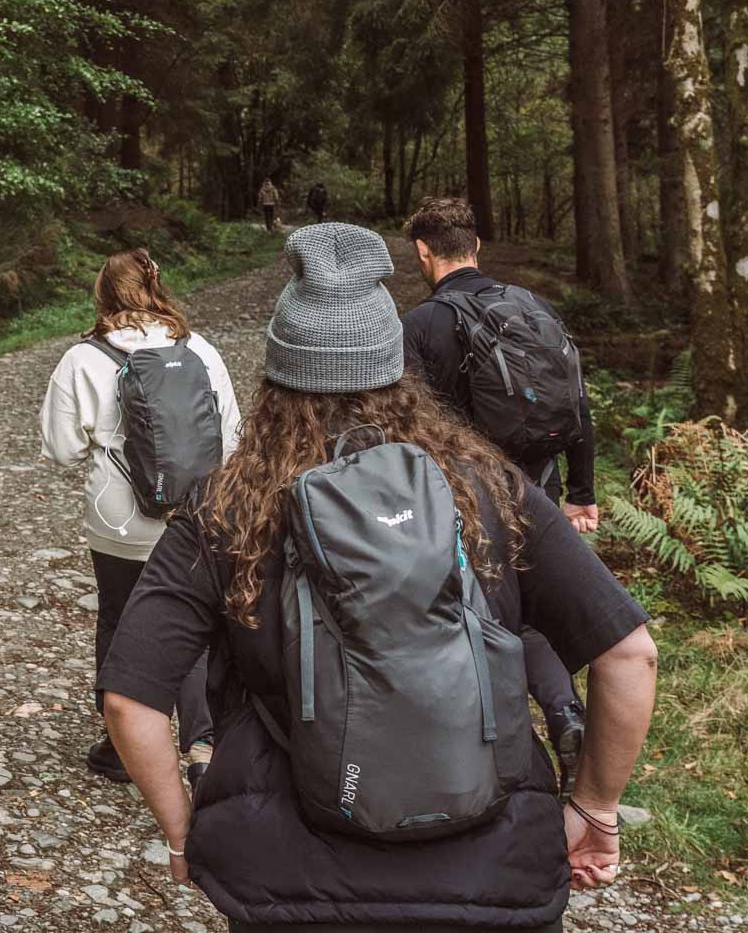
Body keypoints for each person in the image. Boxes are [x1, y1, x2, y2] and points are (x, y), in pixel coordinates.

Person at [101, 223, 657, 932]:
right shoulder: (486, 487)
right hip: (493, 877)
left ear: (276, 373)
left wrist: (183, 833)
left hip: (288, 885)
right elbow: (630, 654)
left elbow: (131, 701)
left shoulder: (226, 508)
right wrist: (595, 807)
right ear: (398, 368)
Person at [400, 197, 599, 789]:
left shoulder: (420, 324)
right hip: (538, 484)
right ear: (477, 246)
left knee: (473, 615)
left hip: (464, 491)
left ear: (422, 251)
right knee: (531, 610)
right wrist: (582, 490)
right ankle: (563, 710)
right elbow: (577, 399)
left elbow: (409, 420)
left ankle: (481, 746)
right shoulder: (534, 306)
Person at [39, 249, 242, 783]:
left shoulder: (82, 359)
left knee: (119, 619)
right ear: (158, 287)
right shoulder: (198, 349)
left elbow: (60, 449)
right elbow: (231, 434)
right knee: (195, 623)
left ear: (102, 295)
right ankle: (202, 747)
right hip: (194, 510)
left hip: (119, 521)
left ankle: (121, 747)